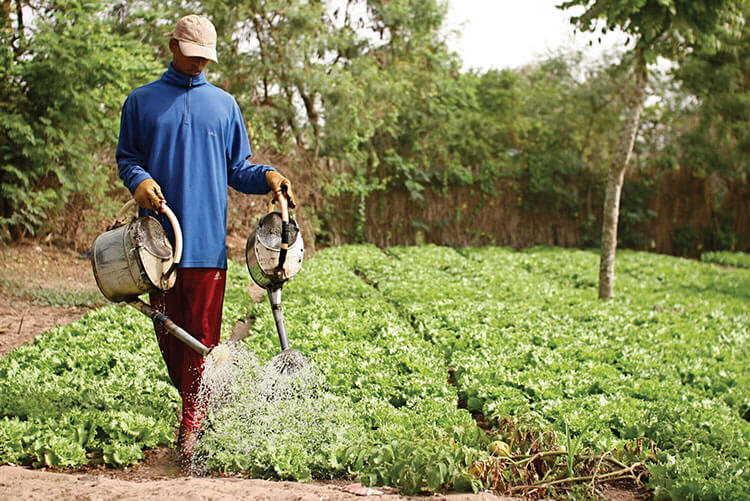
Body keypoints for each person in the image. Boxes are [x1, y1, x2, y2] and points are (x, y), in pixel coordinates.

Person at [116, 14, 296, 462]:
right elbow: (127, 158)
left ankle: (192, 429)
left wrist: (269, 175)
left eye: (205, 59)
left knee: (199, 339)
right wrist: (137, 180)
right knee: (172, 343)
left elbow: (238, 169)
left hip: (208, 248)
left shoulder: (224, 106)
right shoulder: (141, 102)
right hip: (157, 245)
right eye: (192, 55)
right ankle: (200, 404)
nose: (199, 65)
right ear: (173, 45)